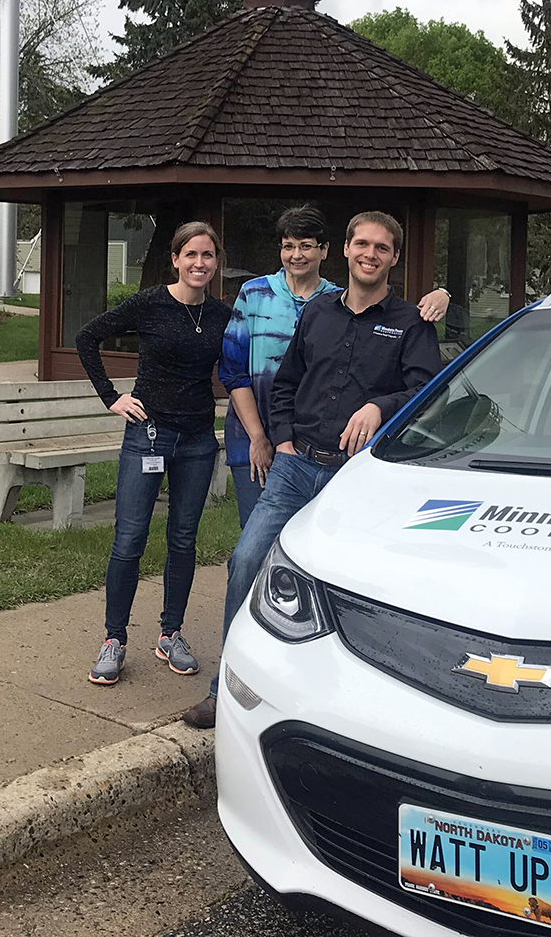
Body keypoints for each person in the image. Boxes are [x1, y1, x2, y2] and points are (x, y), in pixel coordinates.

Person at [183, 211, 441, 728]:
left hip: (359, 480)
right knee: (247, 560)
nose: (370, 254)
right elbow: (285, 383)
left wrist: (380, 407)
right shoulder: (318, 312)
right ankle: (229, 687)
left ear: (394, 257)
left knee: (349, 586)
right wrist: (280, 442)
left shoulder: (410, 323)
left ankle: (340, 696)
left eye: (382, 248)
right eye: (361, 244)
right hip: (295, 468)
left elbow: (429, 393)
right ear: (344, 250)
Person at [219, 206, 450, 526]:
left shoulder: (350, 304)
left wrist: (444, 292)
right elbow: (248, 373)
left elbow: (426, 386)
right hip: (272, 445)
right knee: (252, 551)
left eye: (306, 245)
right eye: (288, 246)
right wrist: (270, 438)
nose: (297, 255)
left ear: (326, 250)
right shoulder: (271, 297)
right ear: (347, 248)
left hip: (350, 463)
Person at [76, 221, 232, 687]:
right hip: (148, 433)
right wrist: (112, 396)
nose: (199, 264)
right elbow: (88, 337)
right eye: (191, 255)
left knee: (184, 538)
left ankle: (171, 632)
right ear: (176, 259)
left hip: (199, 439)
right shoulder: (150, 303)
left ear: (216, 263)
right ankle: (114, 639)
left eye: (207, 256)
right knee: (129, 538)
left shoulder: (222, 315)